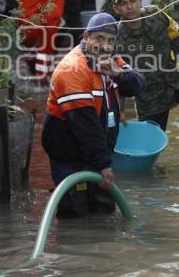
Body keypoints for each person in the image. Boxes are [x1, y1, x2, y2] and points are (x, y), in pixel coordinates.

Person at [42, 12, 146, 217]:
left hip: (96, 153)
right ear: (86, 37)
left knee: (104, 215)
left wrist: (118, 74)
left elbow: (138, 85)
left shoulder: (112, 59)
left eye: (110, 40)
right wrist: (104, 164)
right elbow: (84, 125)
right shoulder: (71, 70)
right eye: (99, 38)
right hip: (69, 156)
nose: (105, 45)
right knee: (74, 217)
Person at [111, 0, 179, 131]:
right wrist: (120, 110)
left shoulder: (157, 15)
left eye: (133, 0)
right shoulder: (116, 37)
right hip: (150, 96)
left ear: (139, 0)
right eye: (123, 3)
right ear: (116, 9)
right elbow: (119, 78)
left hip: (177, 80)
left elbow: (178, 40)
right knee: (153, 137)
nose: (130, 6)